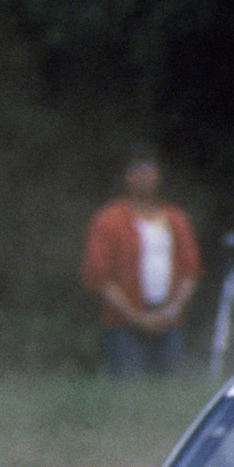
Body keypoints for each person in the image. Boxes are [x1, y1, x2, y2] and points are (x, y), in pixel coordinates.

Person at [82, 148, 201, 377]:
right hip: (123, 324)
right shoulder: (108, 220)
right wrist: (136, 318)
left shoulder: (176, 219)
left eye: (149, 172)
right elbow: (98, 276)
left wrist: (171, 312)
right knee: (130, 391)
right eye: (137, 172)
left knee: (169, 391)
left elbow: (190, 270)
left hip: (169, 322)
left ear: (158, 176)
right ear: (127, 177)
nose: (144, 178)